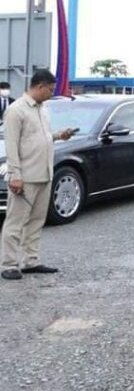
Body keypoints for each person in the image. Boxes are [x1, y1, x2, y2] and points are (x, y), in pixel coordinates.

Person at [1, 70, 74, 281]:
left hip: (44, 173)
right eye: (50, 90)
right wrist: (15, 175)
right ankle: (9, 264)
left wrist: (58, 135)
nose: (51, 94)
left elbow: (39, 137)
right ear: (40, 86)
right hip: (25, 176)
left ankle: (30, 261)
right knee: (15, 222)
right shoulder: (16, 110)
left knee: (36, 221)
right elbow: (11, 145)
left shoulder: (42, 109)